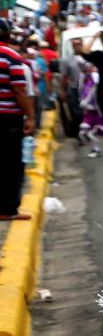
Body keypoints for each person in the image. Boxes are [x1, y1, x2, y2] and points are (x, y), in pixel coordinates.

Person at [0, 21, 33, 220]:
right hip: (8, 118)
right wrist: (30, 116)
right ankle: (7, 209)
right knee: (11, 164)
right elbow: (20, 90)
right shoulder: (11, 56)